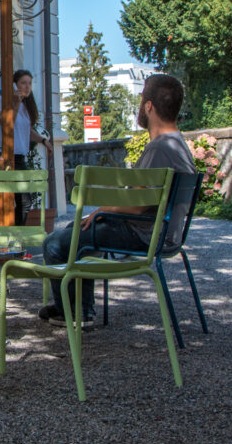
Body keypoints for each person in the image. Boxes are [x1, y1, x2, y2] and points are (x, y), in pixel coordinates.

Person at [37, 74, 197, 327]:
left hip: (143, 233)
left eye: (142, 98)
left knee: (55, 243)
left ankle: (74, 312)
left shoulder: (160, 148)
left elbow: (135, 204)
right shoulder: (178, 145)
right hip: (164, 232)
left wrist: (101, 210)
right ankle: (78, 308)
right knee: (76, 231)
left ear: (149, 106)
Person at [0, 69, 53, 225]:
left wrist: (43, 141)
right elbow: (8, 125)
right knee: (13, 201)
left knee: (24, 201)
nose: (27, 87)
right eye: (23, 83)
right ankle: (14, 240)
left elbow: (26, 131)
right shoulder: (1, 101)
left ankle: (17, 239)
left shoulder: (25, 107)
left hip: (19, 158)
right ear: (14, 85)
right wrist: (16, 103)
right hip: (5, 157)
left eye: (29, 83)